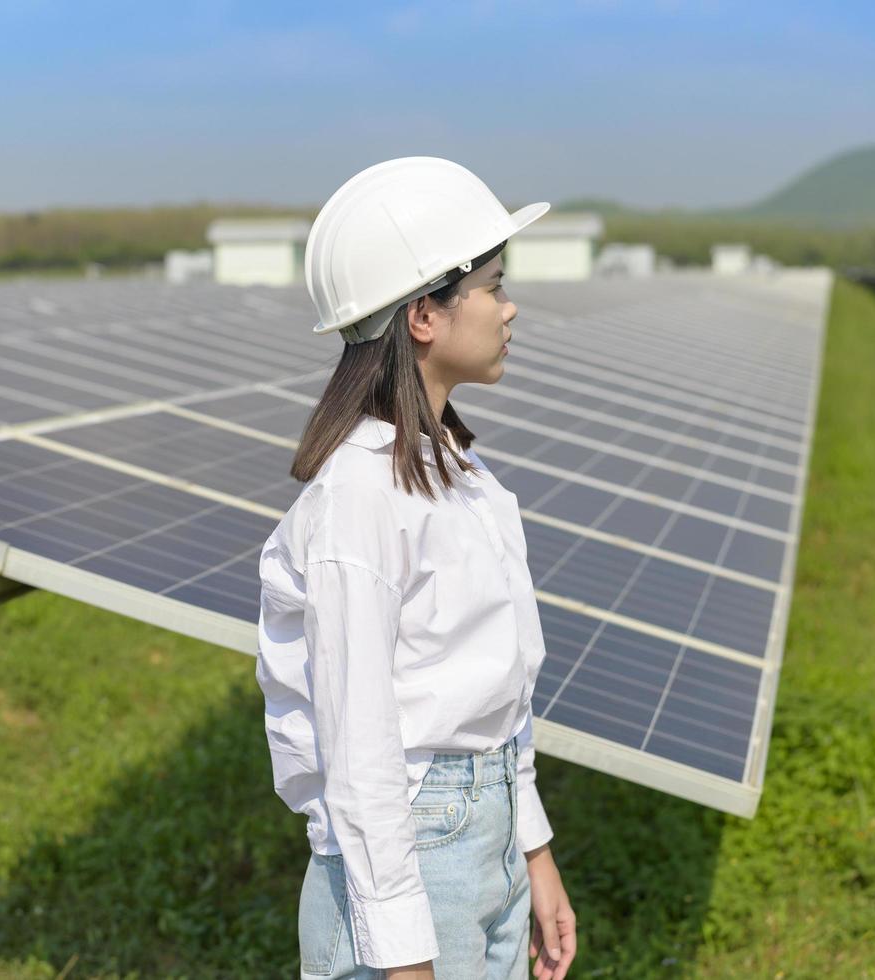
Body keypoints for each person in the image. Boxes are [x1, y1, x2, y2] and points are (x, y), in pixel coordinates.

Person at [256, 157, 577, 980]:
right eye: (493, 286)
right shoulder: (357, 499)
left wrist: (530, 847)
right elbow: (356, 746)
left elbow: (493, 690)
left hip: (484, 831)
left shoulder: (457, 474)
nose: (510, 308)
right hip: (413, 853)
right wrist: (402, 959)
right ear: (423, 316)